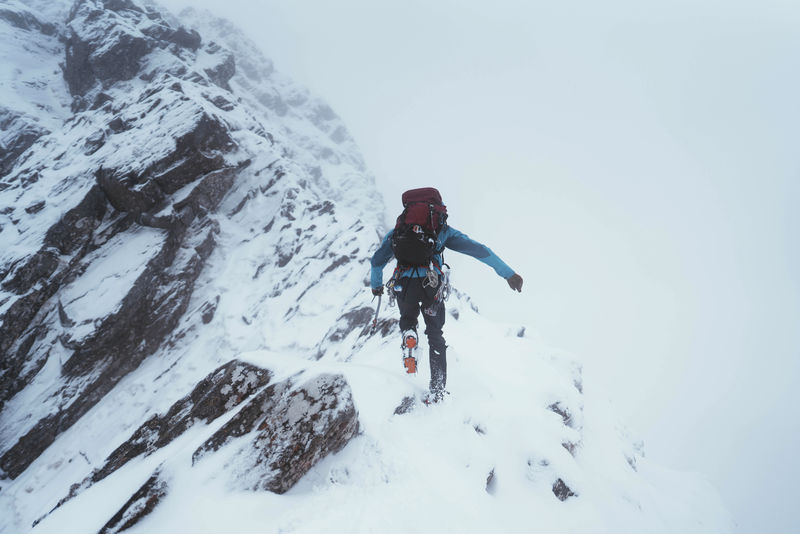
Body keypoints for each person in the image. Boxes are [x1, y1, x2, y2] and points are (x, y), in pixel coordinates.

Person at [370, 189, 523, 403]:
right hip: (430, 286)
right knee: (435, 335)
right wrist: (508, 274)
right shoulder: (442, 230)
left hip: (404, 285)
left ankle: (409, 335)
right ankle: (438, 390)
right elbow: (479, 250)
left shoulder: (399, 230)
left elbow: (376, 261)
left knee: (407, 320)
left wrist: (376, 286)